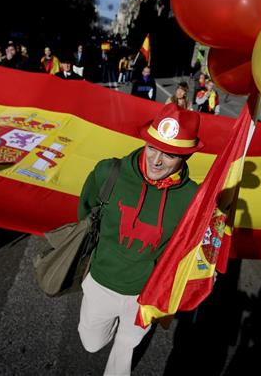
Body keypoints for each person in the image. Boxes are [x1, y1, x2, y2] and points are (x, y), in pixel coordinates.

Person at [77, 103, 203, 375]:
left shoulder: (194, 198)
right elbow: (85, 212)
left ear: (185, 158)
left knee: (126, 347)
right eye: (153, 148)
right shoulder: (108, 172)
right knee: (91, 343)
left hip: (147, 294)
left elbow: (192, 246)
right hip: (102, 279)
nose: (157, 160)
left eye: (169, 154)